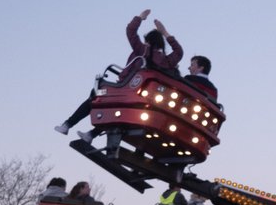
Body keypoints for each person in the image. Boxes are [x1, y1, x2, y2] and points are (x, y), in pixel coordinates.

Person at [55, 9, 185, 136]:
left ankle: (67, 125)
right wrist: (165, 32)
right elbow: (179, 52)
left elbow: (131, 31)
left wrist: (140, 17)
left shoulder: (142, 50)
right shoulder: (167, 61)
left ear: (148, 41)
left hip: (125, 89)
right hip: (144, 97)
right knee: (115, 108)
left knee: (96, 95)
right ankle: (91, 135)